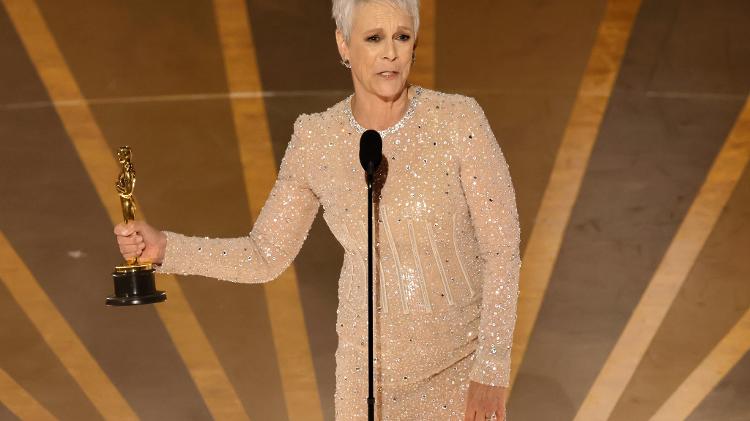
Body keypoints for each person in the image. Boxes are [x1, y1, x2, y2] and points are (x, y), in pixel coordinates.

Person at [114, 0, 521, 419]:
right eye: (374, 38)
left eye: (402, 37)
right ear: (343, 45)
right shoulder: (316, 139)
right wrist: (165, 249)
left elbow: (502, 252)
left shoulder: (457, 121)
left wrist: (491, 367)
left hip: (458, 370)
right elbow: (264, 255)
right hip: (365, 379)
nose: (390, 53)